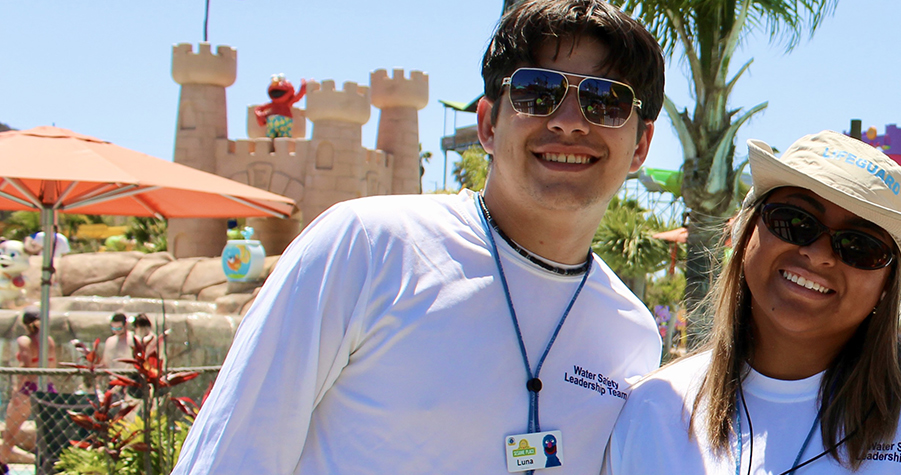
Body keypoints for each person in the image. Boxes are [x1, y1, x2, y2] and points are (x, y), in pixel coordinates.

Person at [170, 1, 666, 473]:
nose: (567, 122)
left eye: (605, 101)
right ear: (489, 124)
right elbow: (229, 458)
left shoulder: (631, 335)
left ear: (640, 144)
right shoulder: (366, 246)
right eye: (538, 92)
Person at [606, 132, 901, 474]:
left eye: (860, 246)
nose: (819, 254)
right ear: (746, 232)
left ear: (888, 283)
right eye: (795, 222)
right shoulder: (656, 406)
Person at [3, 308, 57, 464]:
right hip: (48, 386)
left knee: (10, 431)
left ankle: (2, 463)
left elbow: (27, 366)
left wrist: (17, 389)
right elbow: (52, 364)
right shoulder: (49, 340)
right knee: (47, 431)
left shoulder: (24, 341)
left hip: (28, 387)